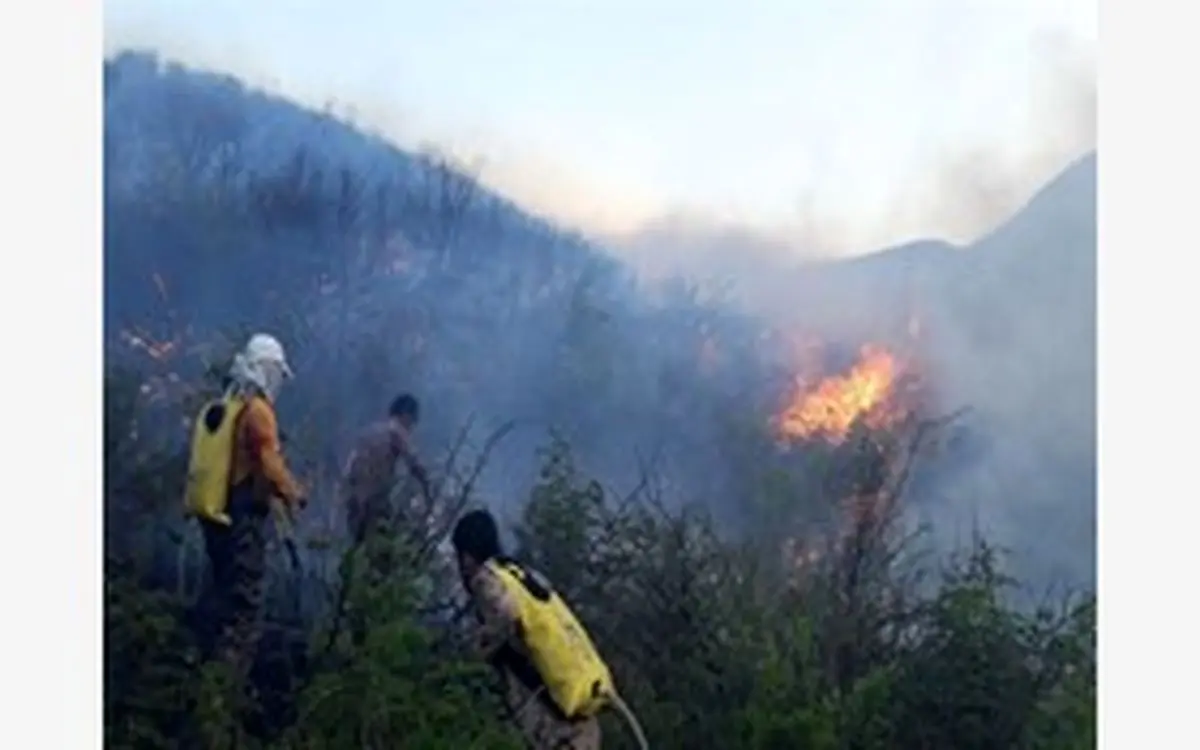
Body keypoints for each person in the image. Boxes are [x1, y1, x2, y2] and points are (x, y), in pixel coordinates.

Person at [185, 333, 306, 679]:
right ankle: (227, 684)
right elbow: (268, 462)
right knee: (244, 606)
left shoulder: (228, 406)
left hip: (218, 514)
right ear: (266, 369)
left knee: (221, 592)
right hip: (242, 519)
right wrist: (294, 493)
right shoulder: (258, 411)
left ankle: (202, 667)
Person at [450, 509, 615, 750]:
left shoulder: (487, 580)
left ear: (466, 554)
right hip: (579, 713)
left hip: (551, 718)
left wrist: (479, 649)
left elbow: (505, 613)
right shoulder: (518, 573)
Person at [340, 393, 432, 545]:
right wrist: (428, 492)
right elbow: (415, 464)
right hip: (374, 501)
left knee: (359, 545)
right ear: (406, 416)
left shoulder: (369, 432)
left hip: (354, 500)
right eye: (413, 421)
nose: (412, 428)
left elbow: (349, 469)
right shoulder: (396, 431)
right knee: (387, 543)